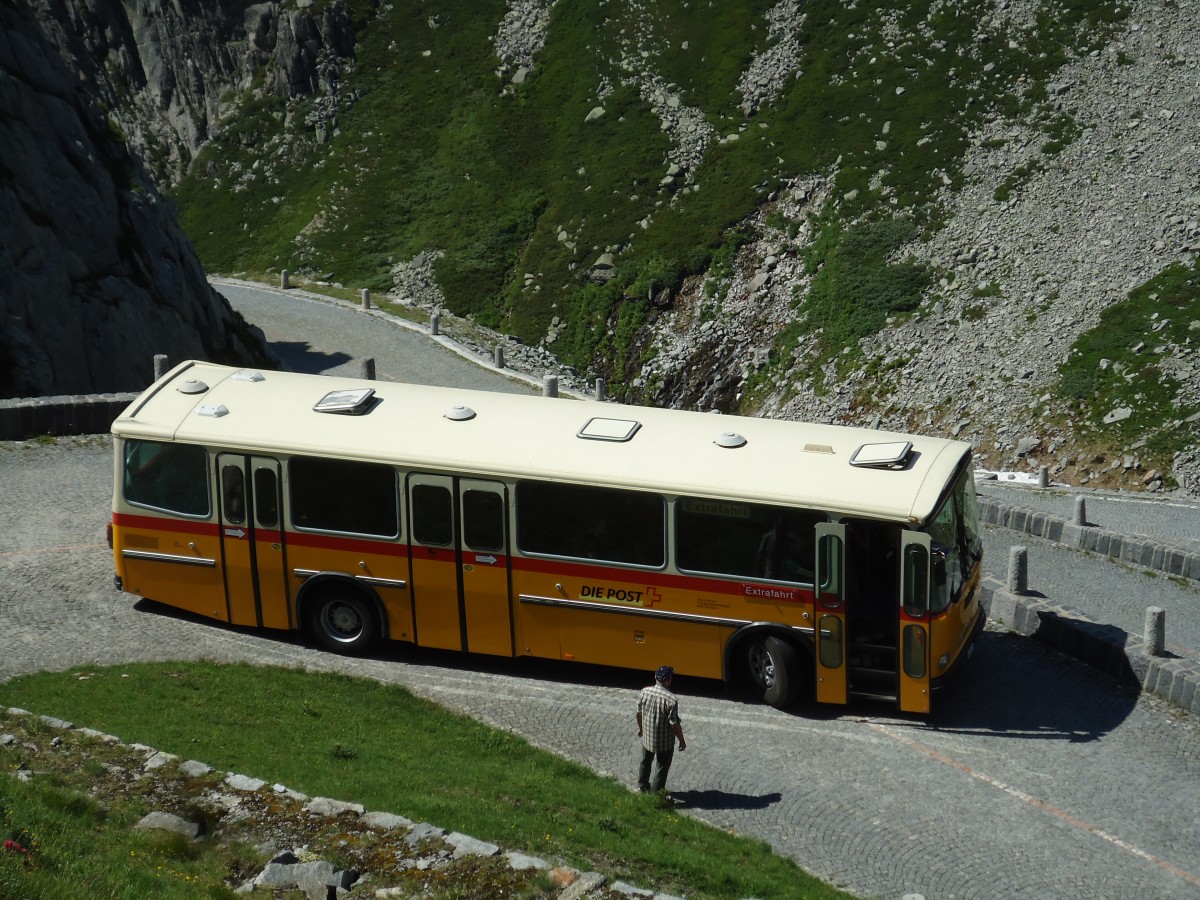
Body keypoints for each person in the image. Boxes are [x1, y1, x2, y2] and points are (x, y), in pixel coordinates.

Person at [635, 665, 686, 794]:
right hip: (665, 743)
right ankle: (655, 794)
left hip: (647, 737)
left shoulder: (644, 692)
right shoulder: (671, 700)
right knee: (661, 768)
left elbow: (638, 714)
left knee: (645, 762)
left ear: (655, 677)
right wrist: (682, 740)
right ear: (668, 680)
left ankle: (642, 786)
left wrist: (641, 729)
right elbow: (674, 724)